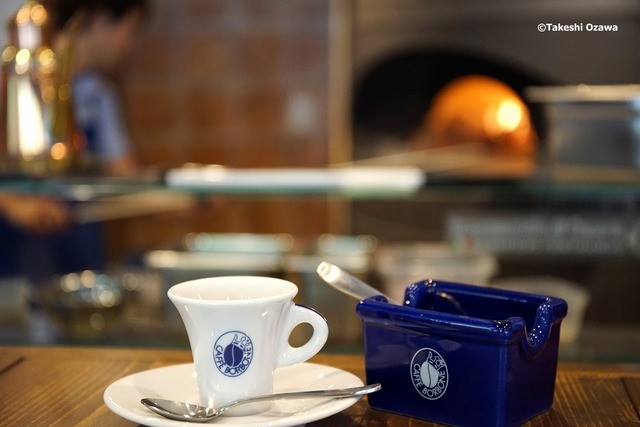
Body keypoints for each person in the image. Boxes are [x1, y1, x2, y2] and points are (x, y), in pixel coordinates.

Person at [0, 0, 148, 282]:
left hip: (79, 257)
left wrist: (185, 195)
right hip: (13, 262)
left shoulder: (98, 94)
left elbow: (127, 177)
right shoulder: (12, 80)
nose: (130, 45)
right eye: (131, 30)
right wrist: (13, 205)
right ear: (100, 18)